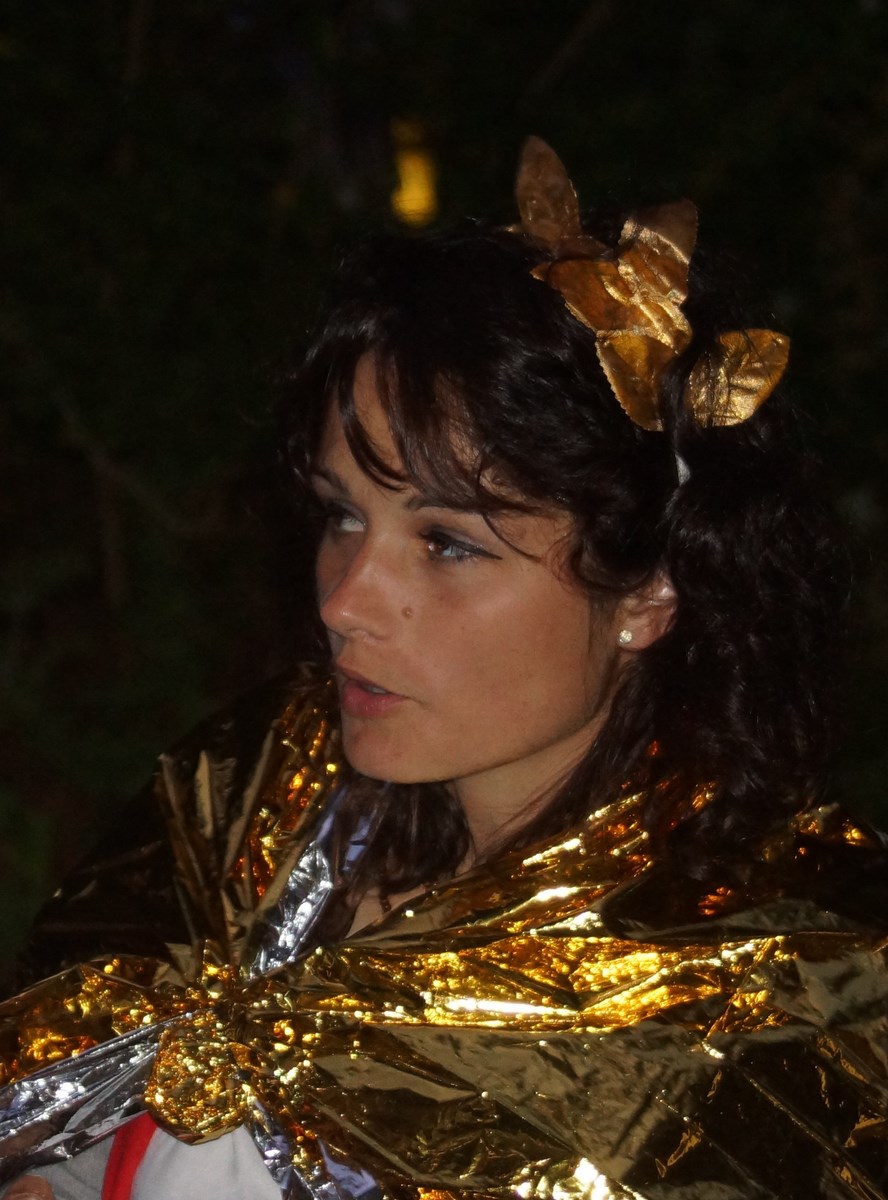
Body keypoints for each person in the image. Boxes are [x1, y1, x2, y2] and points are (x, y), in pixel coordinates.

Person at [2, 138, 887, 1200]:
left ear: (649, 593)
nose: (343, 603)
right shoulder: (265, 794)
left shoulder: (749, 1010)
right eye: (342, 516)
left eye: (448, 544)